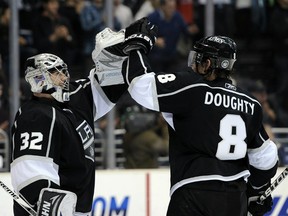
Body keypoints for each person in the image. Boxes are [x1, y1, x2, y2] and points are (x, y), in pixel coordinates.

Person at [103, 19, 278, 215]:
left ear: (208, 63)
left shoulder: (192, 87)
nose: (194, 65)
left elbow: (140, 87)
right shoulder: (251, 103)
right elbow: (266, 156)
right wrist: (258, 189)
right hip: (234, 199)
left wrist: (136, 47)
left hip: (193, 195)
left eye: (198, 59)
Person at [10, 18, 154, 215]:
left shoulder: (75, 100)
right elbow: (30, 169)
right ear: (38, 78)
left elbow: (108, 81)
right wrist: (44, 204)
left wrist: (129, 44)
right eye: (56, 73)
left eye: (64, 72)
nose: (64, 77)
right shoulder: (35, 116)